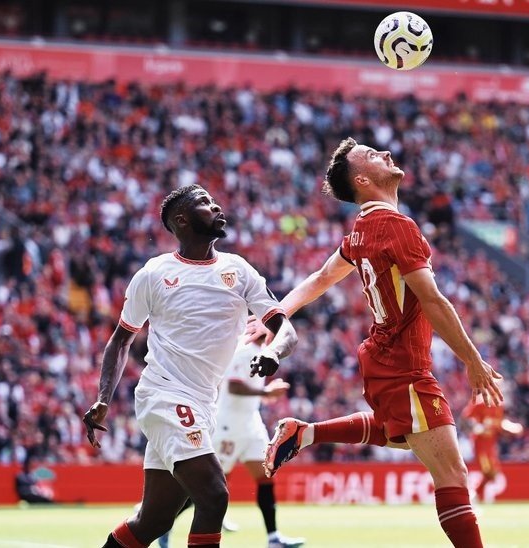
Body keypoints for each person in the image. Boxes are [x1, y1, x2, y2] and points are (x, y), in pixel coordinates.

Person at [248, 138, 503, 548]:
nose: (384, 153)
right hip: (404, 366)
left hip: (383, 358)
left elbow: (320, 279)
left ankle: (305, 433)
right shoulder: (396, 228)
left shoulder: (363, 230)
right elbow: (433, 301)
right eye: (370, 155)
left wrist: (276, 315)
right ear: (363, 180)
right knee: (453, 476)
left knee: (396, 432)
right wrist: (472, 360)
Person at [82, 184, 297, 548]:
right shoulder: (154, 274)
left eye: (214, 201)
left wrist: (275, 352)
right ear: (181, 220)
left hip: (203, 404)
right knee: (214, 495)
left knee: (152, 520)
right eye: (205, 204)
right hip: (164, 396)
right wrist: (104, 397)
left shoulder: (238, 271)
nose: (216, 206)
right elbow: (121, 339)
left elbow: (285, 328)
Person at [155, 337, 305, 548]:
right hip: (229, 427)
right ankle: (164, 523)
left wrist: (263, 395)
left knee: (265, 476)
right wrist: (265, 392)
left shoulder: (259, 350)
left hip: (251, 424)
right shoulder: (245, 352)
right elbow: (234, 386)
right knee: (211, 486)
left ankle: (273, 538)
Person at [462, 395, 523, 503]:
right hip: (480, 443)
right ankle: (471, 497)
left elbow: (498, 423)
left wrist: (511, 427)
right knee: (489, 471)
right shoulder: (479, 402)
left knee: (492, 474)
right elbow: (466, 419)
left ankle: (473, 496)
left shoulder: (499, 404)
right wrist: (476, 427)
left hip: (491, 444)